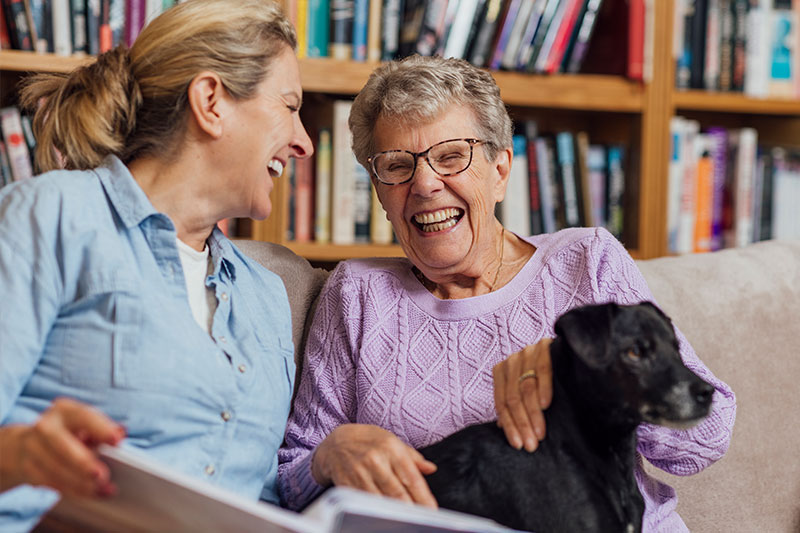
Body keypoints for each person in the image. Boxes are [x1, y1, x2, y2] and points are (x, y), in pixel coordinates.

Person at [278, 55, 736, 531]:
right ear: (379, 191)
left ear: (500, 170)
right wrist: (330, 455)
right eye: (397, 165)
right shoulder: (356, 295)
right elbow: (288, 481)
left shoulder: (586, 261)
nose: (425, 184)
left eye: (451, 156)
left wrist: (582, 374)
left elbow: (708, 436)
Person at [0, 0, 312, 529]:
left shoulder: (267, 296)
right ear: (212, 101)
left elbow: (259, 500)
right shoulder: (54, 215)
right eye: (289, 106)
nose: (304, 141)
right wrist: (19, 453)